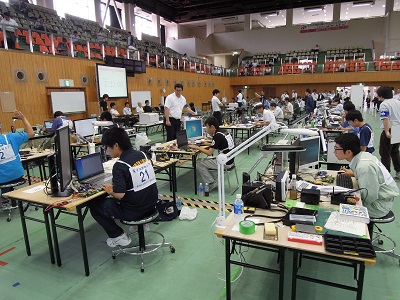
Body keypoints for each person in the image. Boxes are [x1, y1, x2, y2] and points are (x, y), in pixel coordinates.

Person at [89, 127, 158, 247]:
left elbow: (120, 195)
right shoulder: (142, 154)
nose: (107, 151)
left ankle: (118, 236)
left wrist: (110, 191)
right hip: (152, 203)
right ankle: (140, 226)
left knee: (95, 207)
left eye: (107, 147)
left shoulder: (120, 165)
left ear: (116, 146)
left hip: (135, 211)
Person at [334, 134, 399, 237]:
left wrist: (346, 198)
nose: (334, 152)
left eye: (336, 148)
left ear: (349, 152)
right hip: (380, 199)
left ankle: (357, 242)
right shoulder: (364, 156)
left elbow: (369, 197)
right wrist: (354, 174)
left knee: (337, 209)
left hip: (378, 205)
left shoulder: (364, 167)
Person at [188, 116, 234, 192]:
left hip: (225, 162)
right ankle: (213, 180)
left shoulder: (217, 136)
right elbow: (219, 144)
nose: (206, 129)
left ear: (212, 127)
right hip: (230, 159)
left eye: (207, 127)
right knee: (206, 160)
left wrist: (196, 147)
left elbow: (209, 153)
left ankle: (211, 182)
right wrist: (207, 143)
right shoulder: (223, 131)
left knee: (199, 162)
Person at [0, 111, 34, 196]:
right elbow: (31, 133)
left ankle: (6, 198)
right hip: (18, 174)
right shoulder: (10, 137)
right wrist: (23, 118)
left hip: (2, 179)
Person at [377, 86, 400, 177]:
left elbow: (385, 119)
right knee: (395, 151)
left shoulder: (384, 104)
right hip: (398, 128)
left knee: (385, 152)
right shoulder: (398, 102)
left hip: (390, 129)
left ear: (381, 95)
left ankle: (386, 174)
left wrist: (386, 132)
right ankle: (398, 170)